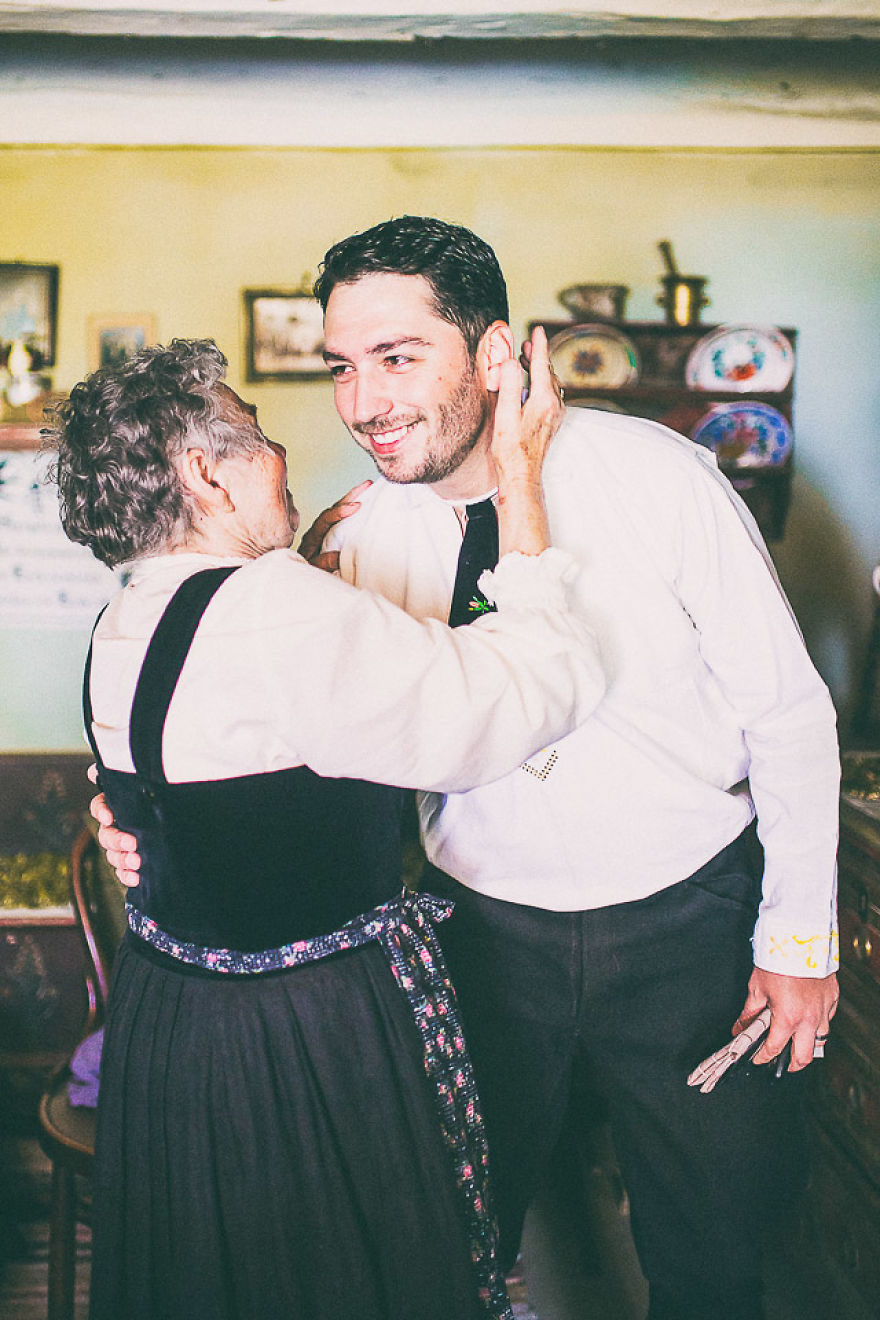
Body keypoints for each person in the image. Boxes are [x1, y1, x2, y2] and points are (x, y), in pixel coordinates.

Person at [98, 217, 841, 1320]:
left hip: (688, 920)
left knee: (712, 1252)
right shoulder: (348, 540)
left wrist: (796, 941)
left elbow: (785, 710)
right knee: (453, 1240)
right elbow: (250, 700)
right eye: (343, 368)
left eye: (398, 358)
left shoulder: (662, 477)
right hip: (476, 930)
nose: (362, 403)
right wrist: (151, 823)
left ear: (495, 354)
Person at [51, 334, 607, 1320]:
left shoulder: (127, 614)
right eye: (259, 437)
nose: (285, 458)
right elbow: (525, 695)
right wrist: (520, 484)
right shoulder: (276, 607)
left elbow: (223, 752)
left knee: (219, 1281)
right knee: (338, 1279)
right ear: (204, 475)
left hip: (172, 1022)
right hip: (303, 1032)